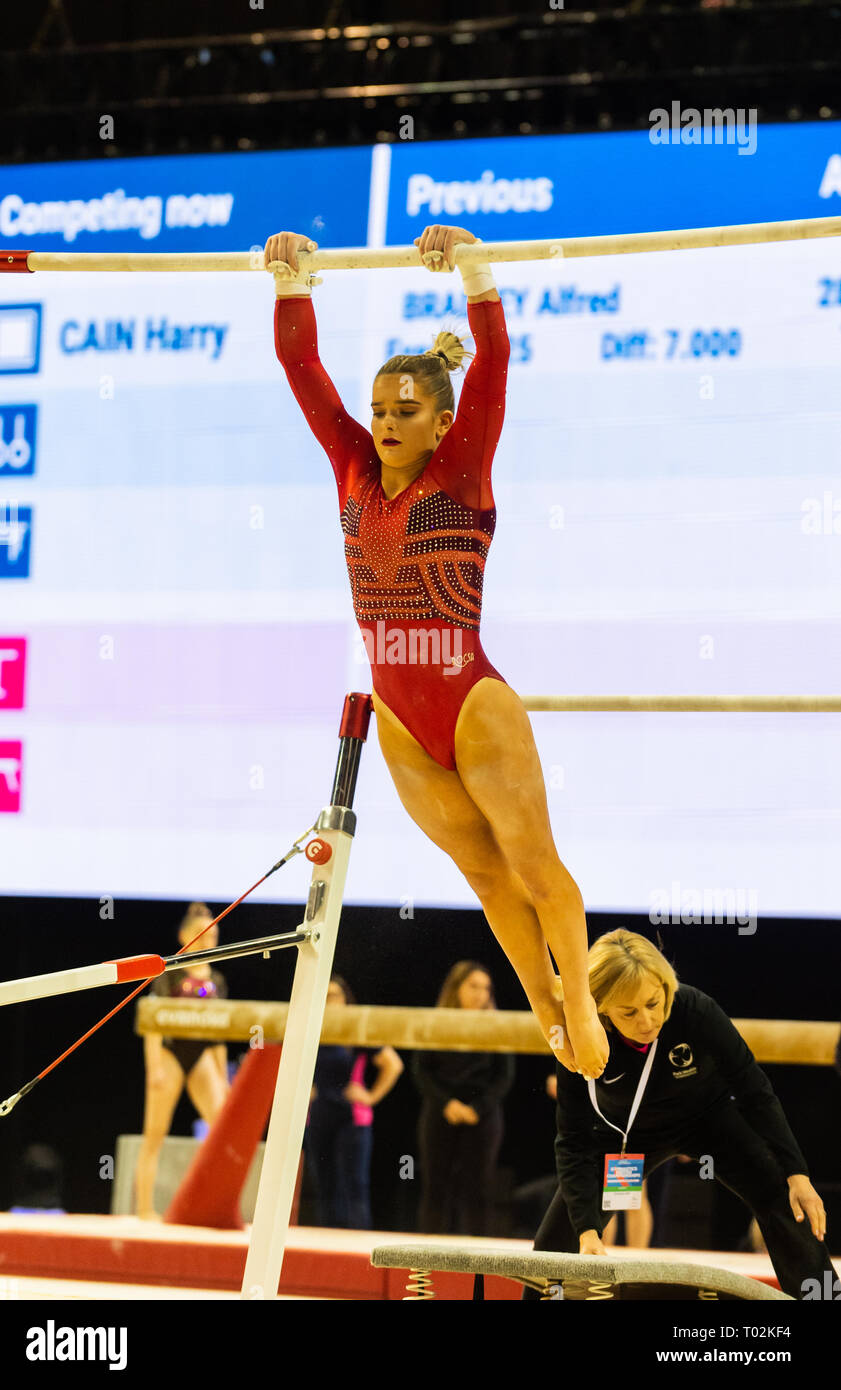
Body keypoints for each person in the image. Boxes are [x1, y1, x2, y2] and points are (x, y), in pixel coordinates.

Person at [266, 222, 608, 1080]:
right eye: (377, 410)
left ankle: (582, 1003)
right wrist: (289, 281)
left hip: (470, 702)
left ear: (441, 422)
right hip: (398, 717)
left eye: (403, 413)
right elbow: (302, 373)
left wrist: (477, 269)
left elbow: (491, 364)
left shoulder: (460, 469)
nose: (382, 424)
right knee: (488, 878)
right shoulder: (350, 463)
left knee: (533, 867)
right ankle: (542, 1008)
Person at [524, 929, 833, 1300]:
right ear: (601, 1008)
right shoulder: (579, 1031)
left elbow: (755, 1090)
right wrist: (588, 1231)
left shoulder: (694, 1009)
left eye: (654, 1003)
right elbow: (573, 1138)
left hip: (708, 1120)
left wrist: (797, 1172)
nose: (647, 1021)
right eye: (629, 1011)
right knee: (557, 1241)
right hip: (623, 1134)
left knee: (783, 1199)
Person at [134, 902, 230, 1220]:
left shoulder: (217, 977)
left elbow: (220, 1033)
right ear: (184, 935)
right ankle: (144, 1209)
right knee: (154, 1134)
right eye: (202, 934)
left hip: (202, 1054)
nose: (208, 940)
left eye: (213, 934)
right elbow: (151, 1021)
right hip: (170, 1053)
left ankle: (212, 1205)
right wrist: (154, 1069)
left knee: (222, 1134)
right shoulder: (170, 970)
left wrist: (223, 1078)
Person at [412, 962, 515, 1236]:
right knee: (435, 1186)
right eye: (473, 986)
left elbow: (504, 1077)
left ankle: (477, 1258)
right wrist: (447, 1104)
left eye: (485, 988)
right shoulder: (435, 1022)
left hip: (482, 1113)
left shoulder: (497, 1026)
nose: (480, 993)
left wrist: (477, 1109)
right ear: (456, 988)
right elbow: (421, 1070)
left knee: (479, 1188)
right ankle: (428, 1254)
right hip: (441, 1110)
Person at [305, 976, 403, 1228]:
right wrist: (306, 1090)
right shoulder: (308, 1029)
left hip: (352, 1118)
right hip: (318, 1115)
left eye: (335, 995)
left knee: (354, 1186)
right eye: (325, 996)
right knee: (325, 1187)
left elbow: (393, 1064)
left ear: (346, 1000)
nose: (330, 1001)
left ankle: (359, 1253)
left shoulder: (357, 1029)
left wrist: (371, 1096)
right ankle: (327, 1249)